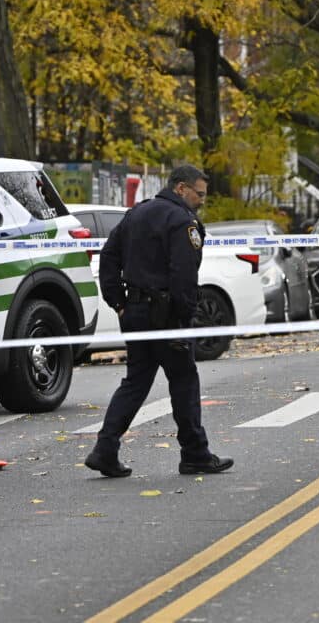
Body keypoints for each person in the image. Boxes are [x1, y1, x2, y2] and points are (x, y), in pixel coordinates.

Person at [84, 164, 233, 478]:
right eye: (199, 193)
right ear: (181, 188)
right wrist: (184, 318)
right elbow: (183, 275)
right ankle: (195, 454)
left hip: (136, 313)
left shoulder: (136, 213)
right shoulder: (181, 221)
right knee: (184, 382)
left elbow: (108, 257)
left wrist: (119, 304)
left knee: (135, 382)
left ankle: (105, 449)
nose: (202, 200)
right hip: (167, 316)